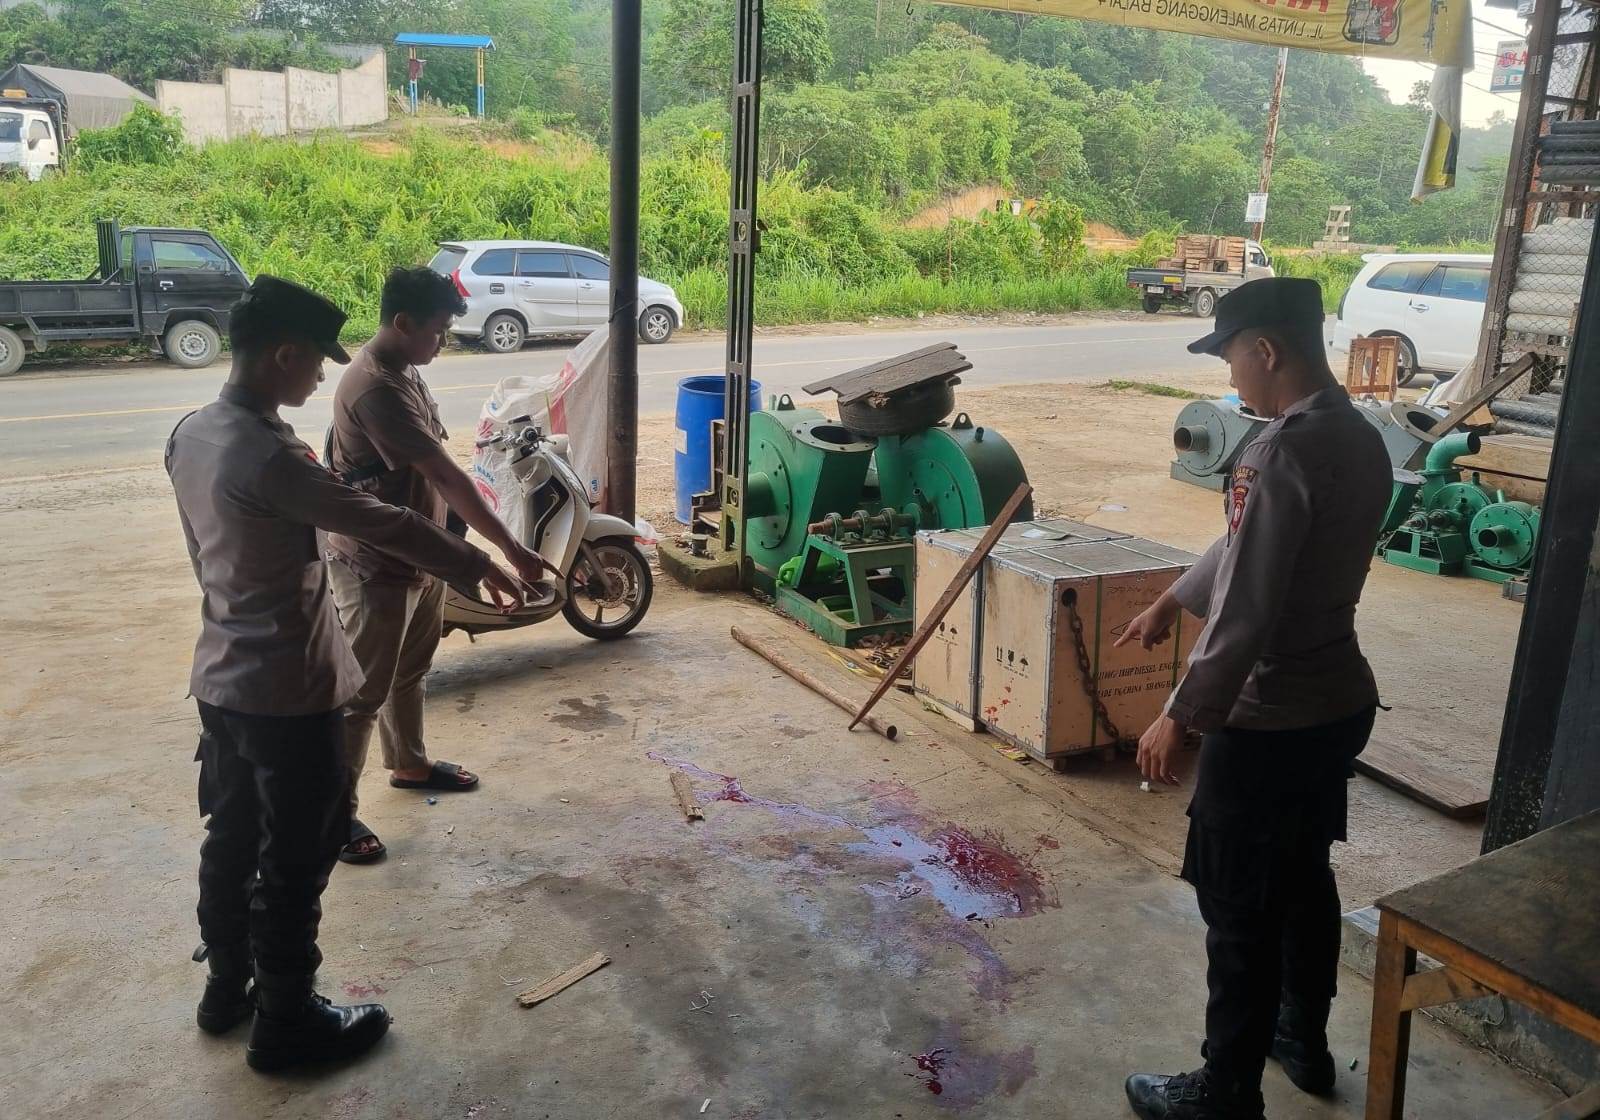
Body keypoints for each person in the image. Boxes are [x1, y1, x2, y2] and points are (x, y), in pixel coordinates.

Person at [166, 275, 527, 1072]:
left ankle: (227, 990)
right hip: (288, 690)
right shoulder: (273, 457)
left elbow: (200, 559)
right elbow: (380, 520)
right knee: (296, 861)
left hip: (220, 679)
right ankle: (287, 1021)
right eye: (314, 360)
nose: (322, 375)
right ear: (283, 355)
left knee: (231, 839)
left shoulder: (191, 433)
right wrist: (474, 563)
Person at [1116, 278, 1392, 1120]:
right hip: (1336, 703)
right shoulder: (1360, 435)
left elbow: (1248, 607)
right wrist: (1173, 599)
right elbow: (1250, 543)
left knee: (1237, 903)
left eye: (1232, 357)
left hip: (1270, 715)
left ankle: (1225, 1091)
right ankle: (1300, 1038)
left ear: (1267, 350)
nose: (1230, 375)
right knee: (1302, 875)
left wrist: (1180, 714)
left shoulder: (1277, 451)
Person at [325, 267, 551, 864]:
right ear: (402, 323)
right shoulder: (375, 387)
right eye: (437, 330)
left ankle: (409, 763)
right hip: (375, 562)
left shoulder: (404, 369)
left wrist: (454, 547)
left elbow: (436, 470)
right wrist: (508, 548)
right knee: (362, 693)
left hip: (420, 552)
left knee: (411, 668)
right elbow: (446, 476)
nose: (443, 341)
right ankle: (331, 814)